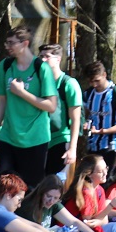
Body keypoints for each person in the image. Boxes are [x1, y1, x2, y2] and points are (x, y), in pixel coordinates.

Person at [0, 27, 58, 189]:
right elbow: (1, 100)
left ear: (25, 43)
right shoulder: (5, 66)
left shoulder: (41, 68)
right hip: (8, 137)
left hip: (35, 138)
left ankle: (26, 216)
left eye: (11, 43)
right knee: (2, 185)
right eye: (7, 42)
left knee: (30, 188)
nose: (8, 46)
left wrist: (22, 93)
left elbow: (51, 106)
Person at [17, 174, 100, 232]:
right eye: (48, 196)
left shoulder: (53, 205)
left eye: (56, 198)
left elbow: (73, 221)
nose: (51, 201)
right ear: (41, 192)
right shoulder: (30, 207)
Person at [39, 45, 83, 179]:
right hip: (40, 140)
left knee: (54, 183)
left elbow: (76, 119)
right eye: (41, 56)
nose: (43, 60)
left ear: (58, 59)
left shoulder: (69, 84)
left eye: (47, 57)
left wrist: (72, 148)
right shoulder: (39, 83)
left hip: (60, 139)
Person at [83, 61, 116, 173]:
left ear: (104, 75)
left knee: (107, 181)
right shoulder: (88, 94)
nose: (94, 84)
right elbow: (86, 114)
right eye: (91, 81)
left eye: (97, 81)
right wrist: (85, 124)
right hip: (92, 146)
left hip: (111, 147)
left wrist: (104, 131)